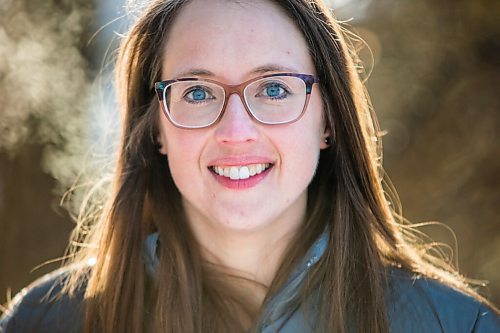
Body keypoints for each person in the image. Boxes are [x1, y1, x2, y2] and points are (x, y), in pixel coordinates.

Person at [1, 0, 499, 332]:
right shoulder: (48, 322)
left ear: (329, 120)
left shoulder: (454, 324)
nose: (235, 131)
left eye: (274, 89)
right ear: (156, 129)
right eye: (197, 92)